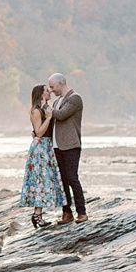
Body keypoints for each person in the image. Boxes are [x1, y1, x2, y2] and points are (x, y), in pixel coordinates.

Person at [20, 83, 66, 229]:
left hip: (46, 146)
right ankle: (37, 215)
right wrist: (48, 118)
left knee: (43, 181)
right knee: (39, 180)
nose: (49, 92)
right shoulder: (36, 111)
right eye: (47, 90)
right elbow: (39, 132)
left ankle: (38, 214)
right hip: (40, 148)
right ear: (41, 94)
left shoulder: (44, 109)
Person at [45, 73, 87, 223]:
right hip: (57, 146)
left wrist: (44, 105)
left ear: (61, 84)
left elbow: (61, 115)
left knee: (72, 178)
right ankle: (67, 212)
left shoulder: (75, 98)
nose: (51, 90)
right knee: (62, 181)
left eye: (52, 86)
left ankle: (81, 212)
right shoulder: (56, 102)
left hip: (70, 146)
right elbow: (52, 120)